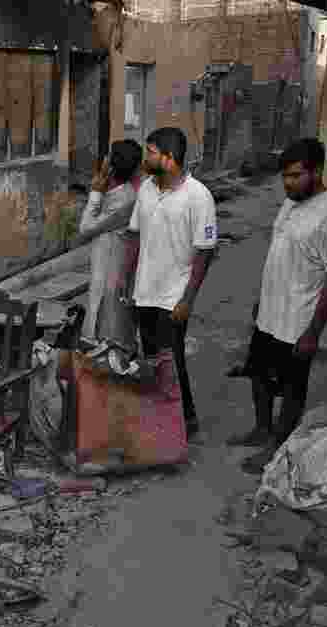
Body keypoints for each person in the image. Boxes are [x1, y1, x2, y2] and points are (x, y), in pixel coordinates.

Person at [229, 137, 327, 475]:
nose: (289, 183)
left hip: (299, 319)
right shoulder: (291, 203)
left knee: (292, 389)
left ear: (318, 171)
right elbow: (281, 255)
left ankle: (276, 449)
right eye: (285, 176)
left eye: (296, 176)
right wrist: (260, 299)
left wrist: (313, 331)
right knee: (259, 377)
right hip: (270, 313)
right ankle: (262, 430)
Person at [125, 127, 218, 438]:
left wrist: (187, 300)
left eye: (150, 152)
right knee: (151, 358)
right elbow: (135, 236)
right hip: (144, 292)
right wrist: (127, 283)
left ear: (169, 158)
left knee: (172, 360)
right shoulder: (147, 190)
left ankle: (186, 420)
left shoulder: (198, 196)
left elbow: (205, 252)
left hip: (173, 296)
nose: (145, 157)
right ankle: (161, 416)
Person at [78, 139, 143, 340]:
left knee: (106, 316)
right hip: (105, 263)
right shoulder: (118, 192)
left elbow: (86, 228)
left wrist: (96, 193)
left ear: (110, 164)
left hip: (111, 267)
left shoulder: (125, 199)